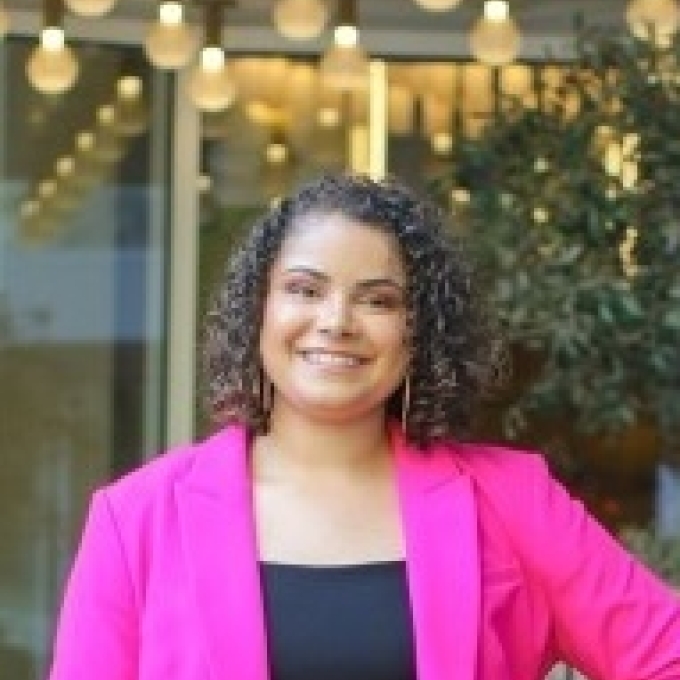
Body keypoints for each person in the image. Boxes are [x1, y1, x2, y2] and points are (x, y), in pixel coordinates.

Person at [48, 173, 680, 680]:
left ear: (419, 332)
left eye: (378, 300)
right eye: (304, 289)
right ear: (258, 311)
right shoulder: (135, 521)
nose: (336, 321)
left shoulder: (511, 501)